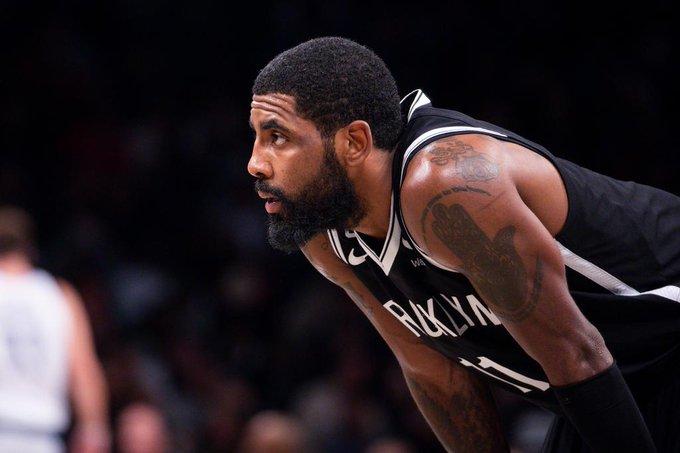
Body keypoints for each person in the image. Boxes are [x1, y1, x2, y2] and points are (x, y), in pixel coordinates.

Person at [246, 37, 680, 452]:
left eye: (277, 137)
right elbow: (434, 373)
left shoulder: (446, 185)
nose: (254, 163)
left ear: (354, 142)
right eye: (257, 137)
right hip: (617, 381)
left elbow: (576, 352)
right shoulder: (325, 232)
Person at [0, 206, 110, 453]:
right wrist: (94, 427)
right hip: (41, 438)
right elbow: (83, 367)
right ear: (30, 247)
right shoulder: (58, 294)